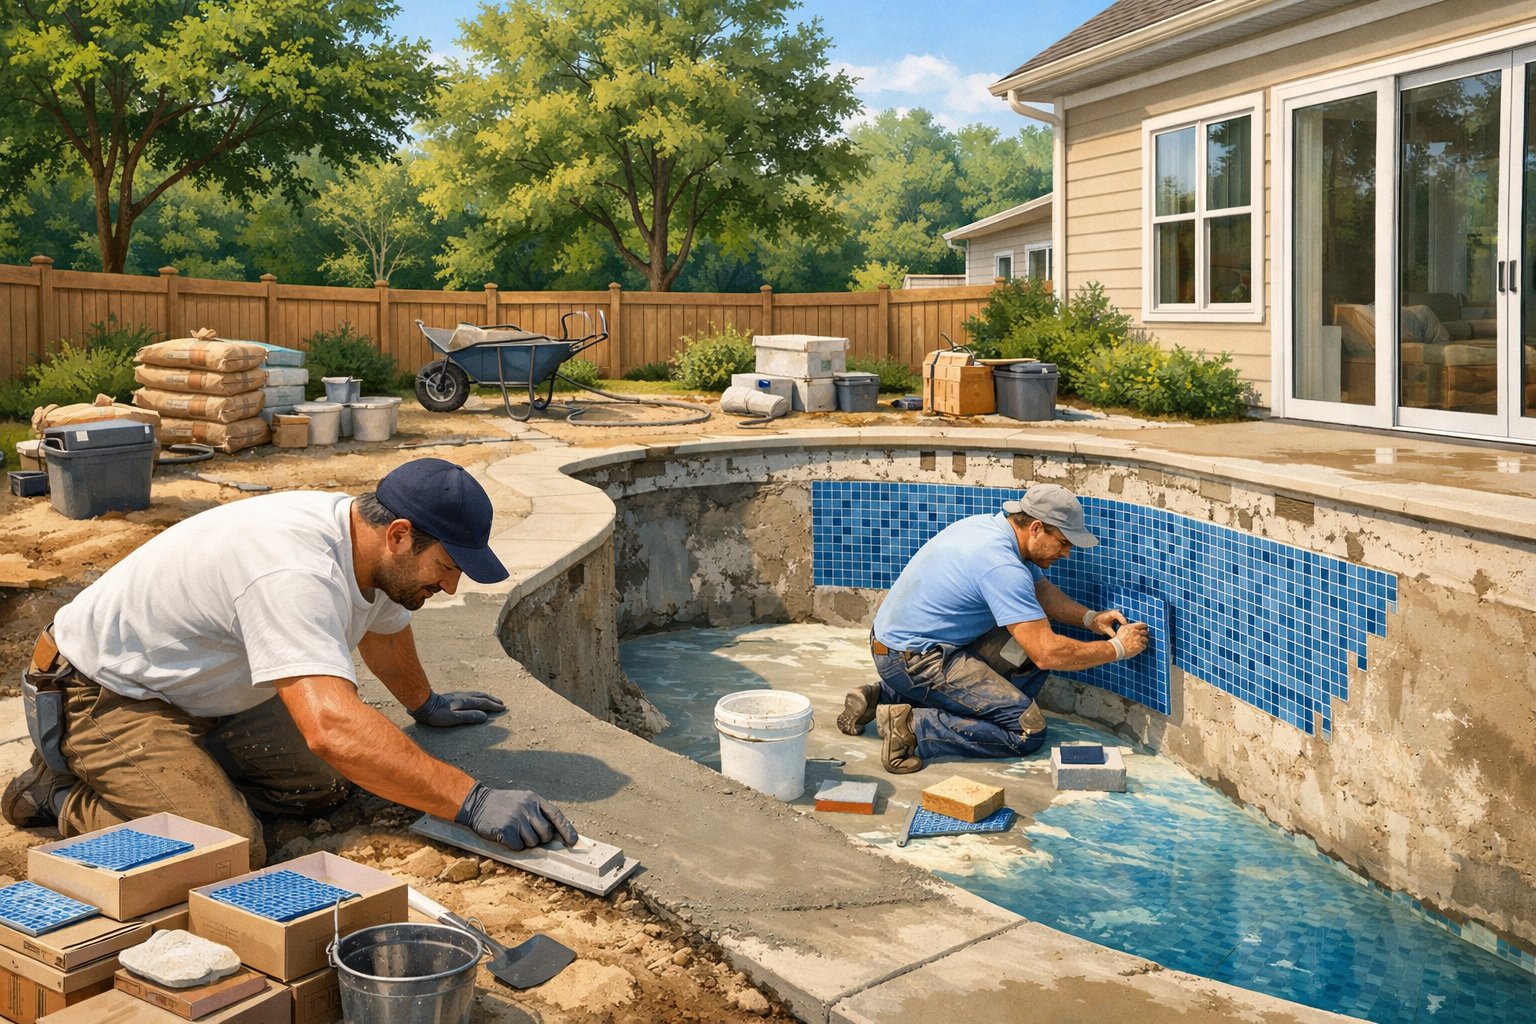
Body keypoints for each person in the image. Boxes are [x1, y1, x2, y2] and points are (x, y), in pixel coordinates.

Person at [3, 458, 576, 864]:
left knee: (321, 790)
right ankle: (61, 794)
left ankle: (179, 779)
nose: (450, 588)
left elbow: (384, 631)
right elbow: (330, 728)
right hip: (105, 693)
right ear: (400, 535)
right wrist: (470, 800)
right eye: (448, 568)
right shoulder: (295, 571)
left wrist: (424, 703)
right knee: (226, 848)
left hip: (203, 692)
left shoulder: (368, 548)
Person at [837, 484, 1149, 774]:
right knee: (1026, 728)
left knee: (1023, 651)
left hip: (900, 646)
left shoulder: (994, 530)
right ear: (1037, 528)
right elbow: (1047, 653)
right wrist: (1118, 649)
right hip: (915, 660)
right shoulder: (1001, 565)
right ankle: (913, 728)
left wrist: (1090, 618)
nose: (1066, 553)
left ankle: (882, 697)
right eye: (1063, 542)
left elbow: (1041, 594)